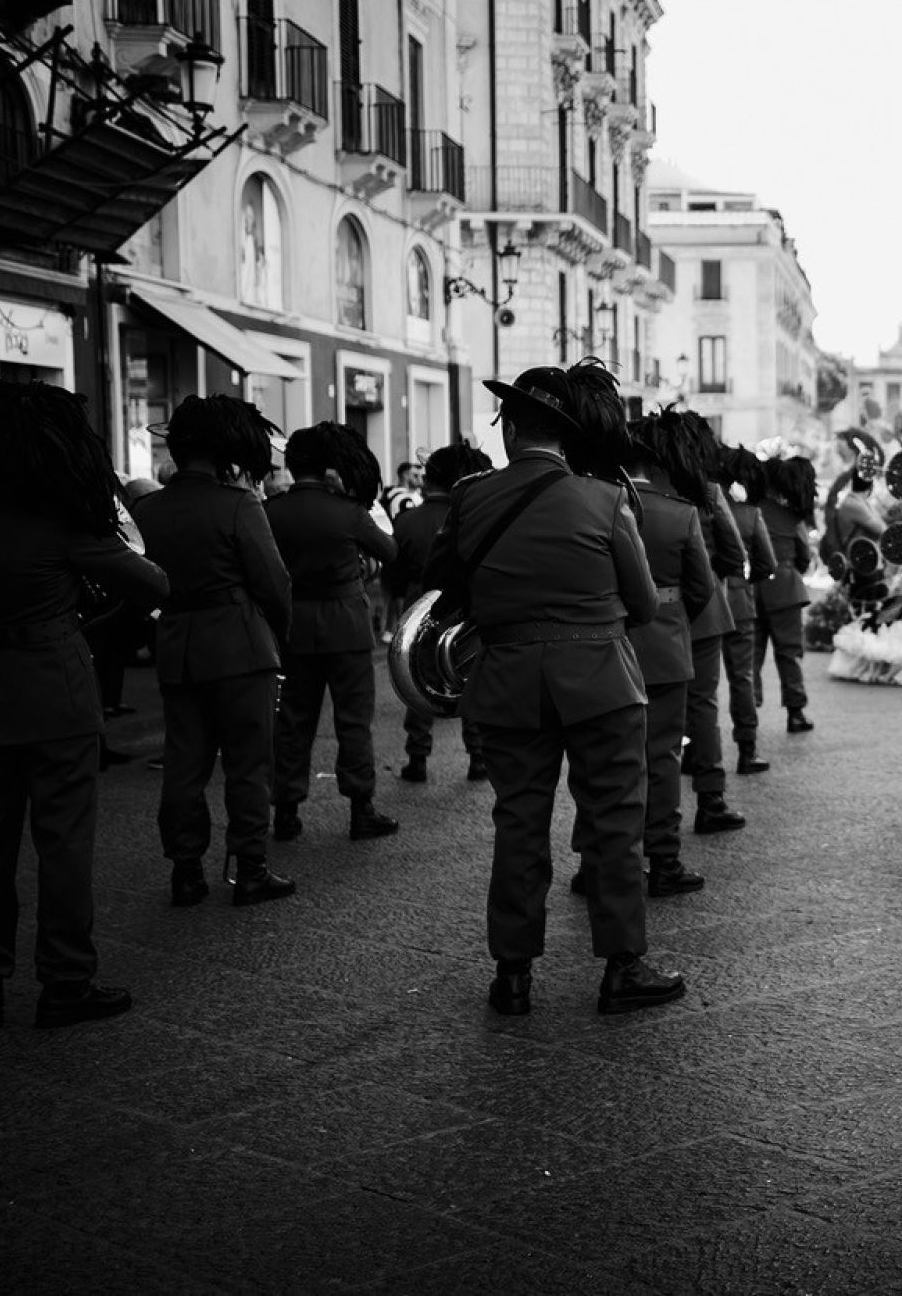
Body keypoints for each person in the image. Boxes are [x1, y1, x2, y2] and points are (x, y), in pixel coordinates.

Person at [422, 361, 685, 1016]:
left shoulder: (470, 496)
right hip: (602, 682)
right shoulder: (605, 499)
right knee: (614, 826)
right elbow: (646, 604)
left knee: (518, 826)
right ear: (564, 437)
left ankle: (513, 974)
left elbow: (441, 583)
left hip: (508, 680)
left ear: (508, 428)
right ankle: (623, 966)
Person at [0, 381, 167, 1030]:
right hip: (54, 689)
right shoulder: (60, 518)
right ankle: (65, 979)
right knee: (64, 844)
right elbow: (151, 583)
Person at [132, 395, 296, 907]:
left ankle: (186, 870)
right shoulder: (239, 503)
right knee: (248, 765)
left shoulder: (148, 507)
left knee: (185, 764)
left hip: (179, 645)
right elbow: (274, 583)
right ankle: (250, 869)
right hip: (242, 646)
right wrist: (279, 637)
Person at [266, 423, 401, 843]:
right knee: (354, 721)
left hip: (295, 624)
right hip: (346, 623)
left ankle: (286, 811)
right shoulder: (347, 511)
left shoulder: (272, 510)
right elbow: (390, 552)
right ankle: (361, 808)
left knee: (292, 721)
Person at [612, 412, 716, 896]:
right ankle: (664, 858)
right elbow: (701, 588)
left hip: (611, 645)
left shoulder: (602, 504)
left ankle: (602, 859)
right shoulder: (681, 513)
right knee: (664, 757)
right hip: (668, 645)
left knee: (609, 759)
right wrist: (670, 620)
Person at [393, 443, 495, 785]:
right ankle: (478, 757)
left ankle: (417, 756)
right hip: (466, 610)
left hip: (418, 607)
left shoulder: (407, 520)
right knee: (470, 677)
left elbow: (392, 577)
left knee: (417, 681)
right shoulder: (477, 518)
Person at [670, 412, 750, 836]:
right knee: (703, 704)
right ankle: (711, 798)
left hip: (654, 615)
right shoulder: (708, 492)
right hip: (703, 611)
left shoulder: (637, 491)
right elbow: (735, 555)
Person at [718, 446, 778, 775]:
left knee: (699, 685)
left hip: (707, 601)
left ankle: (694, 749)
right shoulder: (750, 513)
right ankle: (747, 749)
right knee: (741, 677)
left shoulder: (703, 507)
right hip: (740, 600)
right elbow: (766, 563)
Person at [755, 455, 817, 734]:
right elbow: (804, 554)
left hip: (754, 589)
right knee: (789, 654)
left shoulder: (753, 509)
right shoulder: (793, 516)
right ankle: (795, 713)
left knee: (751, 659)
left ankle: (749, 713)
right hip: (786, 588)